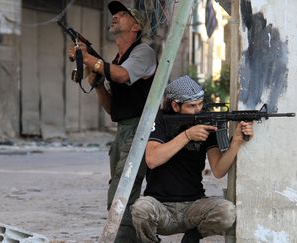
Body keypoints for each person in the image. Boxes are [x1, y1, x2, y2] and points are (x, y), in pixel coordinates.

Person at [68, 1, 157, 242]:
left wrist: (88, 59)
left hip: (141, 129)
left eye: (122, 15)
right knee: (121, 189)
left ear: (136, 26)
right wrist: (96, 83)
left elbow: (123, 75)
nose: (115, 18)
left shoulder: (142, 52)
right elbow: (112, 109)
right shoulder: (117, 59)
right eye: (114, 15)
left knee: (122, 192)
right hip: (124, 129)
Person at [130, 75, 254, 243]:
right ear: (175, 105)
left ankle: (192, 238)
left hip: (193, 207)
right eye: (192, 106)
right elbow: (152, 159)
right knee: (140, 209)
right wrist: (187, 135)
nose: (198, 110)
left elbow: (218, 170)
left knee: (226, 211)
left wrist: (237, 142)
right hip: (160, 206)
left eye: (200, 104)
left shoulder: (205, 122)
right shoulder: (159, 120)